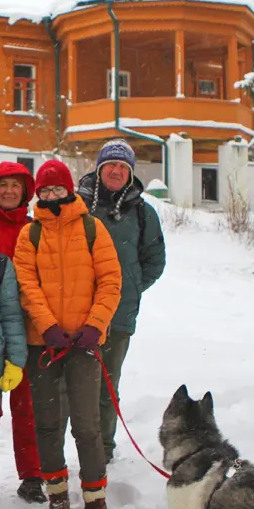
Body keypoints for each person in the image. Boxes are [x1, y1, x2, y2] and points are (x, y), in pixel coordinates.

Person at [13, 159, 121, 509]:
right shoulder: (29, 235)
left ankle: (95, 497)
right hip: (45, 344)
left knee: (88, 425)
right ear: (38, 194)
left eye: (58, 189)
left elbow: (110, 280)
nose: (52, 196)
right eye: (45, 191)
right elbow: (27, 285)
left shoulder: (93, 228)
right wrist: (47, 326)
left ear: (69, 190)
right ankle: (57, 495)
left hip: (85, 344)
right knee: (46, 422)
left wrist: (95, 325)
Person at [76, 140, 166, 462]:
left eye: (123, 166)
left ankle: (103, 452)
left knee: (106, 389)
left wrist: (130, 287)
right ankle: (72, 452)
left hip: (119, 315)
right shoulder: (78, 205)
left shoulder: (143, 213)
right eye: (110, 165)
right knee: (70, 389)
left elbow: (155, 260)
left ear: (129, 173)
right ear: (99, 169)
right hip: (77, 314)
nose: (116, 171)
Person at [0, 162, 45, 503]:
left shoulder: (34, 229)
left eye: (15, 185)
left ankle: (32, 474)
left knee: (28, 405)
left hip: (27, 327)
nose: (9, 191)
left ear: (25, 191)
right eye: (3, 185)